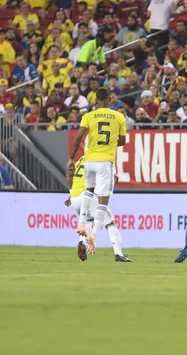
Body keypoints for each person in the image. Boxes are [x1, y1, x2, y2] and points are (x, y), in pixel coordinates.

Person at [67, 88, 130, 261]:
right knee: (103, 200)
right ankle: (94, 234)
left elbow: (78, 138)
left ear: (95, 99)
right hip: (104, 161)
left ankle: (81, 222)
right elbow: (123, 141)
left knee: (89, 189)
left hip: (89, 160)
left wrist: (71, 158)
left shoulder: (88, 116)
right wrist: (110, 141)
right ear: (110, 99)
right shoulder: (118, 117)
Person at [65, 156, 125, 262]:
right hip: (88, 196)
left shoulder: (80, 160)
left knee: (87, 221)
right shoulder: (99, 160)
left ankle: (82, 242)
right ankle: (118, 254)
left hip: (75, 198)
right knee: (110, 223)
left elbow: (69, 175)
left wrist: (71, 194)